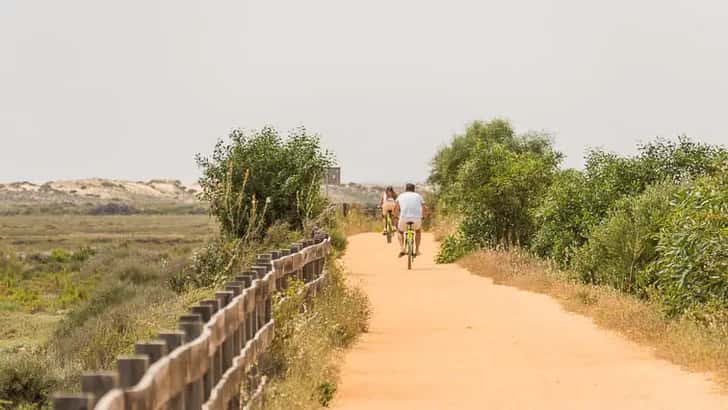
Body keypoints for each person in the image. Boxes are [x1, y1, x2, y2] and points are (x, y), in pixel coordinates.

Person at [393, 183, 427, 257]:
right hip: (416, 219)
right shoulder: (418, 196)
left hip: (403, 218)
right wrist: (424, 216)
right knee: (418, 231)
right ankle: (417, 250)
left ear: (406, 189)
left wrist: (395, 217)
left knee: (400, 231)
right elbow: (424, 208)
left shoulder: (401, 196)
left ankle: (402, 248)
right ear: (413, 189)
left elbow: (396, 208)